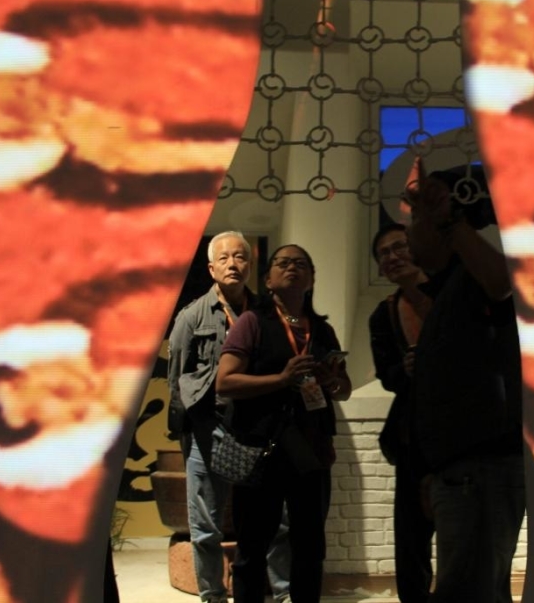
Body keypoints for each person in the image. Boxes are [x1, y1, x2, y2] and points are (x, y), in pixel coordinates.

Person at [404, 164, 526, 603]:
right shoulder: (448, 292)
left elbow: (501, 283)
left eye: (416, 221)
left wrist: (449, 221)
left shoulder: (473, 280)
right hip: (462, 472)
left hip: (480, 472)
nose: (408, 235)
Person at [217, 243, 353, 603]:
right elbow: (225, 382)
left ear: (312, 279)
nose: (292, 267)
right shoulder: (252, 322)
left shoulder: (323, 331)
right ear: (268, 280)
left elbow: (344, 390)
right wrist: (281, 379)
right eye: (283, 263)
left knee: (310, 546)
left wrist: (331, 381)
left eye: (301, 264)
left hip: (311, 451)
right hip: (261, 450)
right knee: (252, 546)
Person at [167, 231, 292, 603]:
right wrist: (185, 431)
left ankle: (284, 592)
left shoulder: (267, 313)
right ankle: (213, 595)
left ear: (250, 265)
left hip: (257, 429)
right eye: (223, 258)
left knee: (277, 519)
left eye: (239, 257)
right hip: (209, 428)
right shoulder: (191, 317)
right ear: (211, 268)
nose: (232, 264)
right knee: (205, 525)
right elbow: (177, 379)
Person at [368, 223, 436, 603]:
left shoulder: (450, 295)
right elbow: (387, 376)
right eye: (384, 253)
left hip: (463, 435)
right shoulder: (384, 314)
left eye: (400, 247)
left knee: (465, 534)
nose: (393, 257)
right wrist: (405, 370)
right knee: (411, 538)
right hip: (412, 436)